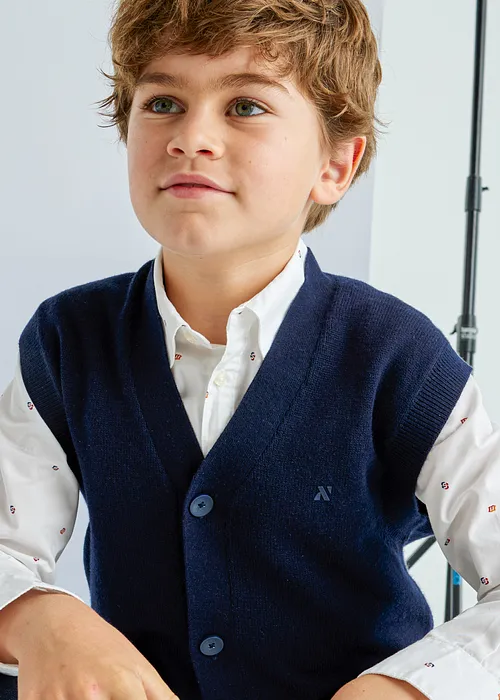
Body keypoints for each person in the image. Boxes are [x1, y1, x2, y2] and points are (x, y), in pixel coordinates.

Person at [0, 0, 499, 699]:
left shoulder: (398, 358)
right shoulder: (69, 340)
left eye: (246, 107)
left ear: (336, 164)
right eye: (164, 103)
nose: (192, 138)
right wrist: (38, 618)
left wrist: (404, 689)